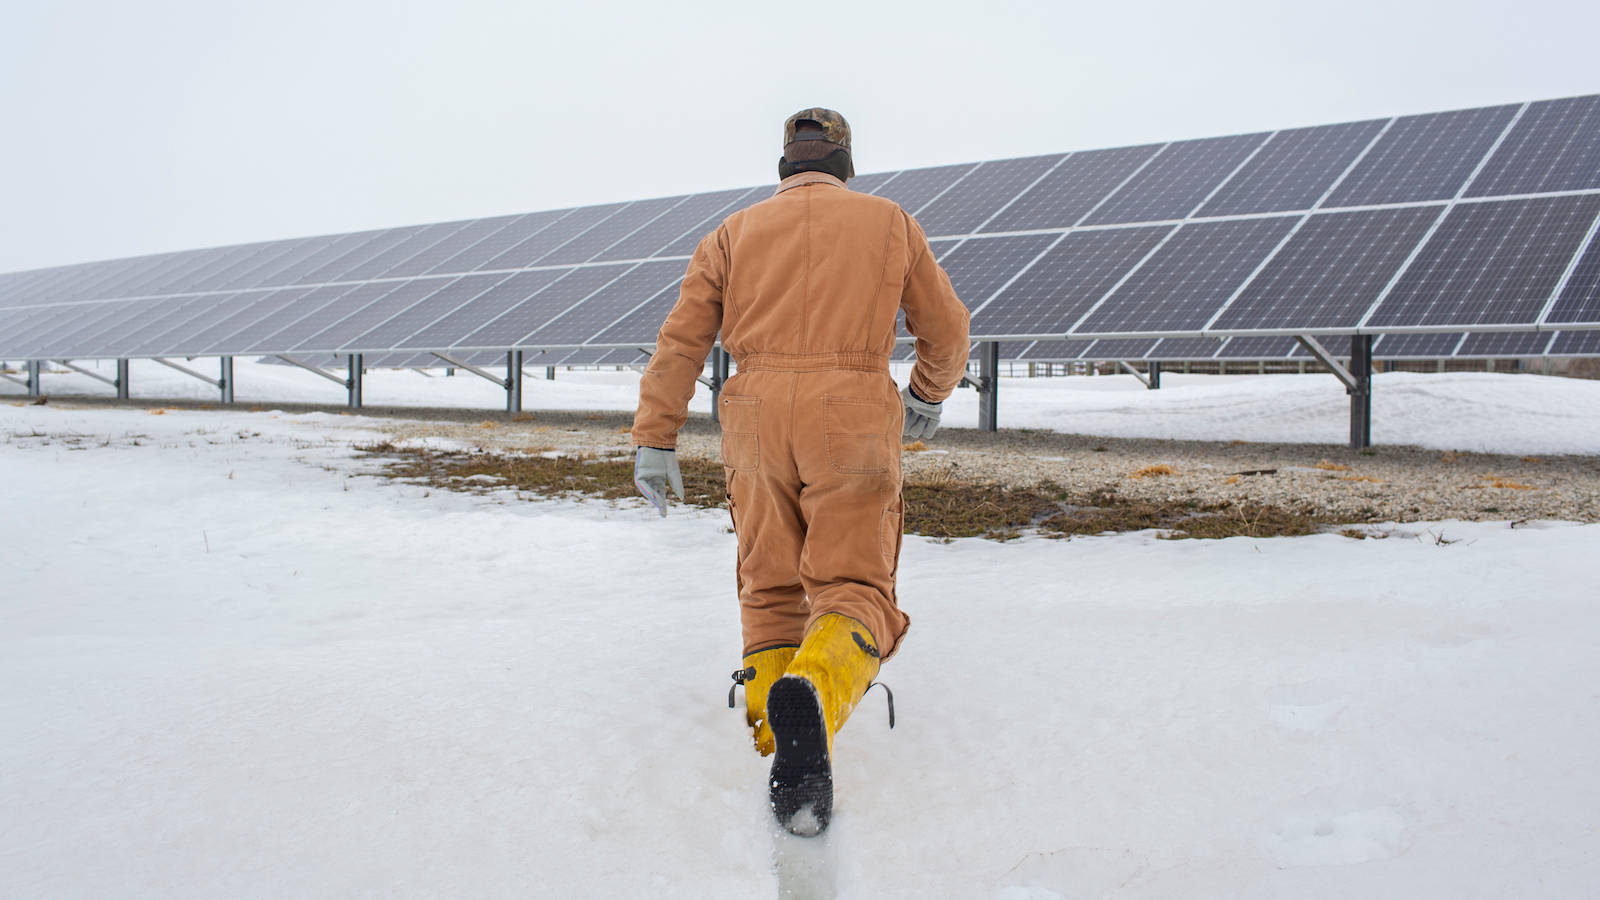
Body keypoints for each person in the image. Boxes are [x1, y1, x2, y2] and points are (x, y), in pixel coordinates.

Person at [631, 108, 970, 835]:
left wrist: (655, 436)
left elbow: (681, 340)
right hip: (849, 408)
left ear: (785, 163)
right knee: (853, 582)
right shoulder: (890, 223)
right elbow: (946, 328)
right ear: (844, 160)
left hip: (753, 412)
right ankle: (813, 692)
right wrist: (927, 395)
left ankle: (771, 729)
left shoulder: (732, 233)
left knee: (770, 579)